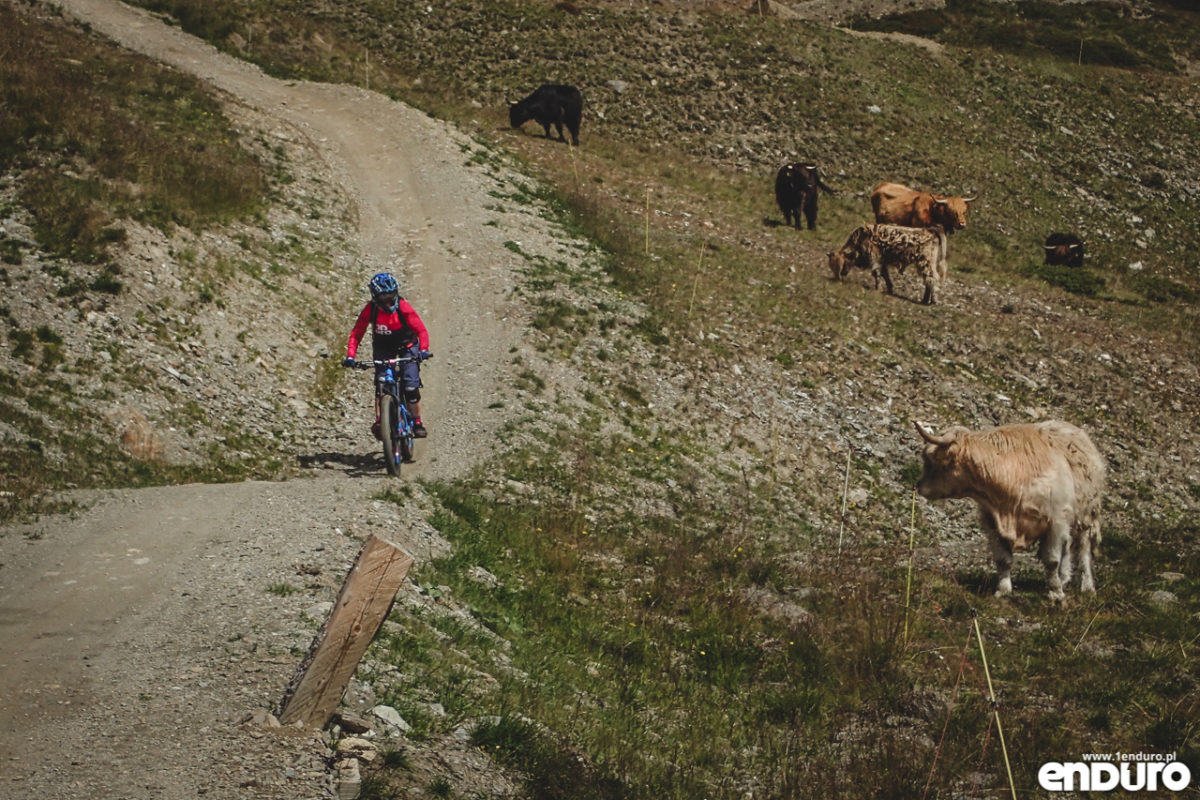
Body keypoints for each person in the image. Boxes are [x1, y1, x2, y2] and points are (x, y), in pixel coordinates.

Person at [343, 272, 432, 439]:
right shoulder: (370, 310)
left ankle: (417, 422)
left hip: (407, 346)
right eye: (383, 297)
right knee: (381, 385)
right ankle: (380, 421)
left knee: (410, 386)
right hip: (383, 348)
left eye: (391, 295)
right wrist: (350, 356)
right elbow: (357, 333)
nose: (388, 301)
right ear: (375, 296)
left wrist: (423, 350)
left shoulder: (403, 307)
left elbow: (421, 330)